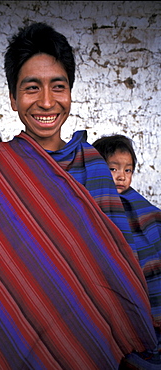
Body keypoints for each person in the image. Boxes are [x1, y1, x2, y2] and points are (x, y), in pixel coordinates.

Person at [0, 22, 159, 370]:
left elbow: (115, 261)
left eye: (57, 87)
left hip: (85, 325)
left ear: (70, 93)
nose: (46, 101)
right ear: (14, 98)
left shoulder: (92, 164)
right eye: (32, 88)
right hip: (11, 325)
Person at [93, 134, 161, 368]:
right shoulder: (90, 202)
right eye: (113, 169)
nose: (121, 176)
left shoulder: (140, 205)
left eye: (128, 170)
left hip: (143, 280)